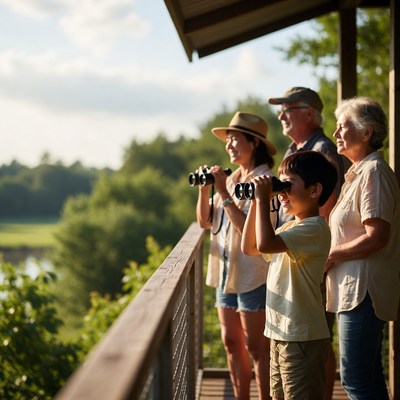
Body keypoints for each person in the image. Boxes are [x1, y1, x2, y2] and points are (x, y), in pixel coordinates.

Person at [241, 150, 338, 400]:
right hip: (280, 332)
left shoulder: (314, 228)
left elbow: (264, 244)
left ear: (314, 190)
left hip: (301, 337)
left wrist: (264, 201)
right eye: (280, 184)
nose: (281, 192)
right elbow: (249, 247)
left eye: (288, 184)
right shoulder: (291, 226)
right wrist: (255, 201)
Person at [268, 86, 345, 398]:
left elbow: (323, 207)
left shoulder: (322, 149)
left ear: (310, 113)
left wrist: (311, 248)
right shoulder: (293, 150)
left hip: (309, 254)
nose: (281, 115)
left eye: (288, 108)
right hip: (293, 248)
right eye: (279, 110)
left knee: (314, 343)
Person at [196, 111, 276, 400]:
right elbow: (205, 222)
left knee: (257, 348)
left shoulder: (265, 181)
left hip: (253, 276)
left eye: (235, 139)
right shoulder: (232, 178)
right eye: (227, 140)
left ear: (254, 143)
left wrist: (223, 193)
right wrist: (206, 191)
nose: (229, 145)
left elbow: (252, 233)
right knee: (231, 342)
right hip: (225, 275)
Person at [325, 97, 400, 399]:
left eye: (343, 126)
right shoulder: (359, 173)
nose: (336, 133)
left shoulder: (373, 173)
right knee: (366, 377)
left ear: (366, 132)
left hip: (363, 293)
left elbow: (377, 236)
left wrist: (332, 255)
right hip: (354, 291)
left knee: (356, 379)